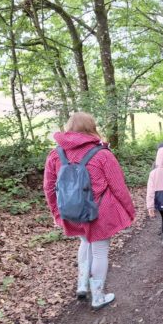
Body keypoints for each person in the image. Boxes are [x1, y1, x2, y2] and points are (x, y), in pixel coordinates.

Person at [43, 112, 135, 310]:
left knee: (84, 243)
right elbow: (119, 187)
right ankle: (98, 297)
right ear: (91, 128)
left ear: (69, 127)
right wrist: (130, 210)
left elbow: (48, 187)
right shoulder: (102, 154)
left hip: (72, 212)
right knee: (100, 252)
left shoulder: (55, 155)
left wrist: (56, 213)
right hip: (100, 212)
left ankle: (82, 285)